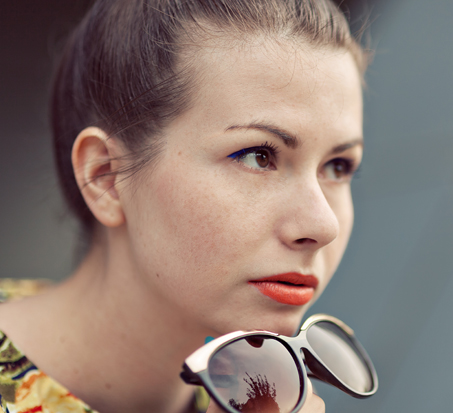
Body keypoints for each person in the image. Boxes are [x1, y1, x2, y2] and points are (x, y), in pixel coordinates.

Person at [0, 0, 369, 412]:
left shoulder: (248, 393)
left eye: (337, 167)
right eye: (258, 156)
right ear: (105, 177)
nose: (323, 225)